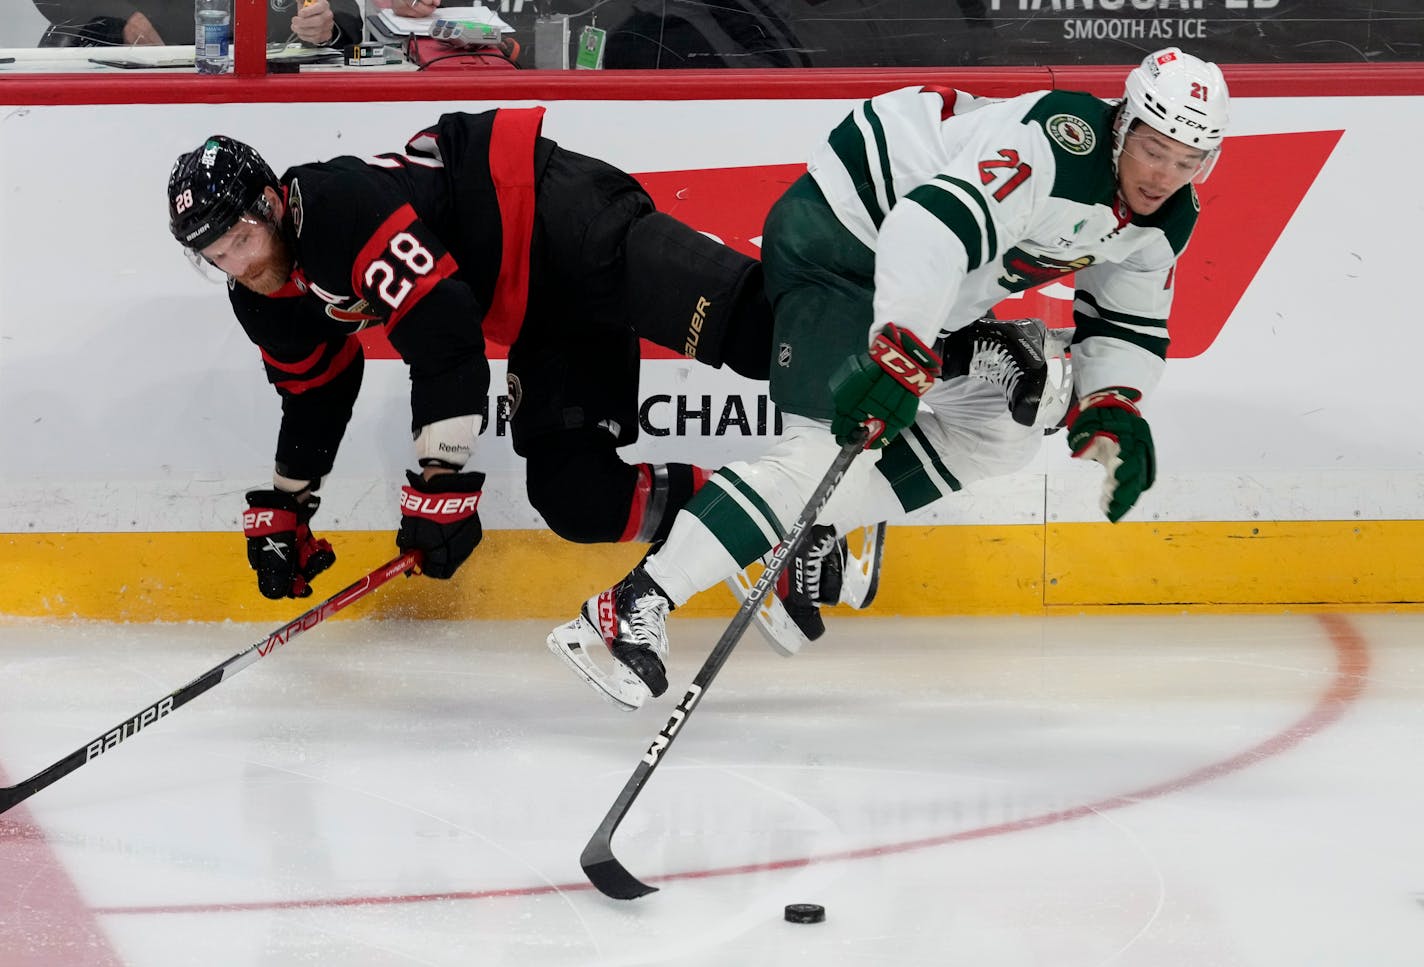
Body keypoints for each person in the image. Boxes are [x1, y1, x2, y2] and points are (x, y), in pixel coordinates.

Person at [547, 46, 1230, 710]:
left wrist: (1112, 401)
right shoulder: (1059, 144)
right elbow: (928, 226)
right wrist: (899, 345)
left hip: (929, 288)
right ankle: (633, 601)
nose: (1162, 174)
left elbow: (1127, 319)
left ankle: (807, 531)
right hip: (842, 237)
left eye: (1186, 159)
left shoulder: (1169, 219)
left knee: (1002, 433)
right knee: (822, 455)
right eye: (1153, 148)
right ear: (1122, 126)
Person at [166, 107, 774, 602]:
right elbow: (314, 392)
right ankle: (773, 520)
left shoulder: (333, 206)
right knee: (578, 496)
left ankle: (857, 358)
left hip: (551, 211)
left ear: (271, 204)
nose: (239, 266)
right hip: (540, 309)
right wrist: (288, 504)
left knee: (754, 330)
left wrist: (440, 476)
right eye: (217, 256)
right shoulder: (263, 298)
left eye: (241, 240)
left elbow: (442, 323)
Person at [35, 0, 360, 48]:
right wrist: (122, 19)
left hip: (267, 101)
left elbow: (348, 19)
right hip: (141, 96)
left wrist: (326, 29)